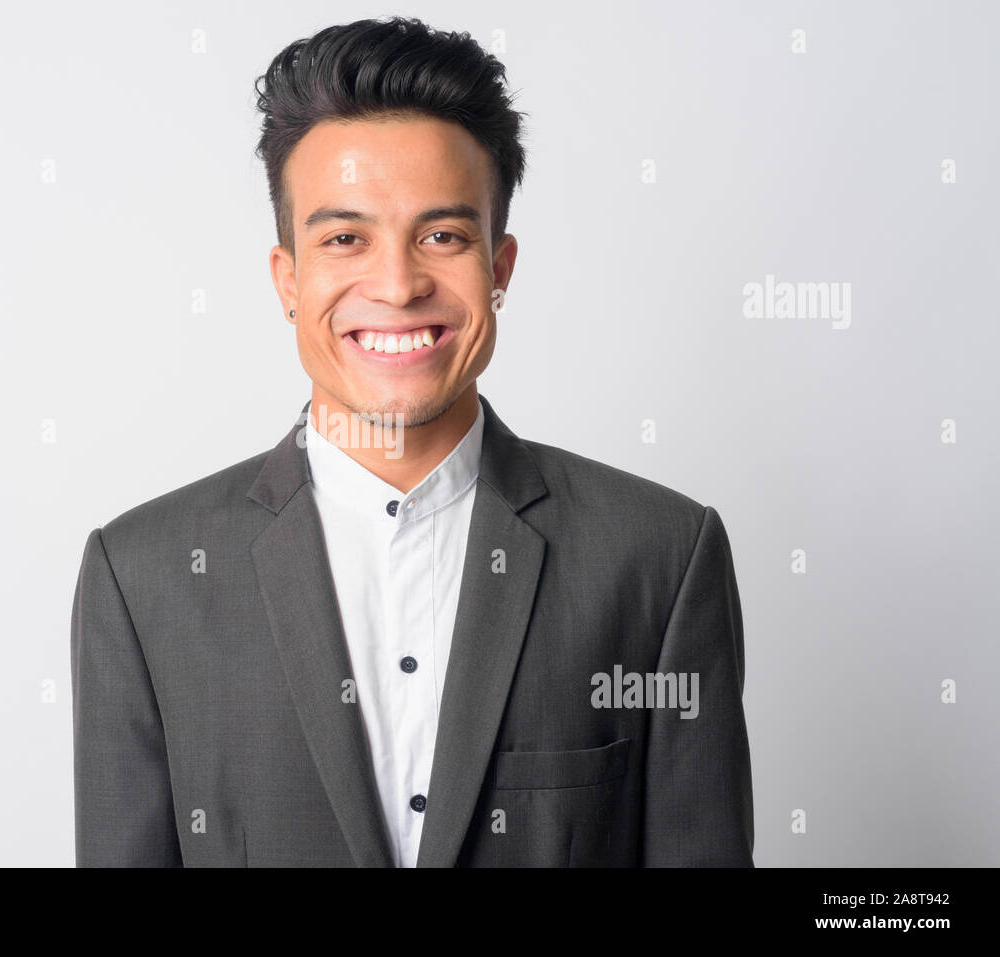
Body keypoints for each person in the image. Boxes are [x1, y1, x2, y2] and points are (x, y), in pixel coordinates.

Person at [71, 16, 753, 867]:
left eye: (443, 235)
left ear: (499, 269)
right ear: (289, 279)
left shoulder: (660, 556)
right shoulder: (140, 578)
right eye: (345, 238)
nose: (397, 285)